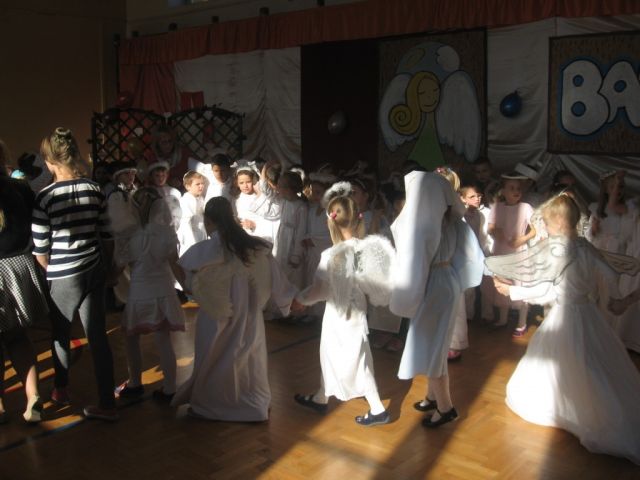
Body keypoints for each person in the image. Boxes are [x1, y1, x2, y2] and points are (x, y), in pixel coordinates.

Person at [491, 195, 640, 465]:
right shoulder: (587, 247)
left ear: (559, 222)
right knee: (590, 360)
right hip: (589, 314)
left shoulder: (559, 251)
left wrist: (511, 291)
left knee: (572, 362)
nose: (546, 230)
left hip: (566, 316)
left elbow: (545, 289)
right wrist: (617, 298)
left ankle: (583, 410)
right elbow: (610, 274)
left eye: (547, 224)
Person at [171, 197, 296, 421]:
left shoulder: (205, 251)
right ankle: (253, 405)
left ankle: (212, 405)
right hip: (250, 317)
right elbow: (277, 282)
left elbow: (191, 285)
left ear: (208, 221)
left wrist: (174, 265)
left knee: (213, 357)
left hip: (217, 316)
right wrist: (292, 301)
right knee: (249, 358)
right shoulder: (255, 248)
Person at [32, 128, 117, 421]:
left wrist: (52, 271)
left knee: (61, 335)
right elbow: (107, 235)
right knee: (98, 337)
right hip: (94, 269)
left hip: (63, 275)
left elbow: (40, 249)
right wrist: (108, 267)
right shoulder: (94, 189)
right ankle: (107, 403)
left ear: (49, 162)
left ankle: (61, 390)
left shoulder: (45, 197)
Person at [293, 184, 395, 426]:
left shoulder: (331, 255)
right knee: (335, 356)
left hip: (338, 316)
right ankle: (321, 397)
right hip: (357, 313)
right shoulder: (365, 250)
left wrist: (302, 300)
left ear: (330, 222)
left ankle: (378, 409)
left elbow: (320, 290)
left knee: (357, 361)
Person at [390, 170, 484, 428]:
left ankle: (445, 407)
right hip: (446, 280)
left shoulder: (423, 226)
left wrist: (406, 294)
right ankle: (432, 396)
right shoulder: (453, 220)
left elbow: (413, 260)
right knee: (436, 343)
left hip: (434, 284)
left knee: (433, 346)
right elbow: (469, 254)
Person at [112, 188, 186, 401]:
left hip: (140, 293)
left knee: (131, 338)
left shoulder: (129, 235)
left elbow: (119, 266)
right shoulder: (166, 233)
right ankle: (170, 388)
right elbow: (175, 264)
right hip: (163, 290)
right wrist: (187, 286)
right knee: (163, 340)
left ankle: (135, 383)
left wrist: (108, 279)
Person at [0, 146, 48, 424]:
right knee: (18, 337)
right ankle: (33, 397)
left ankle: (0, 407)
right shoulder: (19, 187)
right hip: (19, 265)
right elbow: (37, 225)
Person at [487, 173, 536, 336]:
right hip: (502, 251)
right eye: (512, 188)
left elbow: (535, 229)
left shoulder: (526, 207)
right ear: (503, 191)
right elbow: (490, 227)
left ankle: (522, 322)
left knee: (520, 285)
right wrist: (495, 231)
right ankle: (503, 318)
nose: (516, 191)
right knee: (503, 284)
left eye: (518, 188)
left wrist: (522, 239)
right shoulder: (497, 207)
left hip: (519, 251)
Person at [146, 160, 182, 232]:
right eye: (157, 176)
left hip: (173, 228)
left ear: (167, 175)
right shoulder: (148, 193)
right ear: (151, 177)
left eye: (163, 175)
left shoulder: (175, 192)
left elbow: (179, 212)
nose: (160, 178)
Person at [178, 171, 207, 256]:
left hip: (201, 234)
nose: (201, 186)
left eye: (202, 183)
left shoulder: (201, 198)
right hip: (191, 238)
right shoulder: (186, 200)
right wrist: (193, 243)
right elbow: (186, 223)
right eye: (197, 184)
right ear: (188, 186)